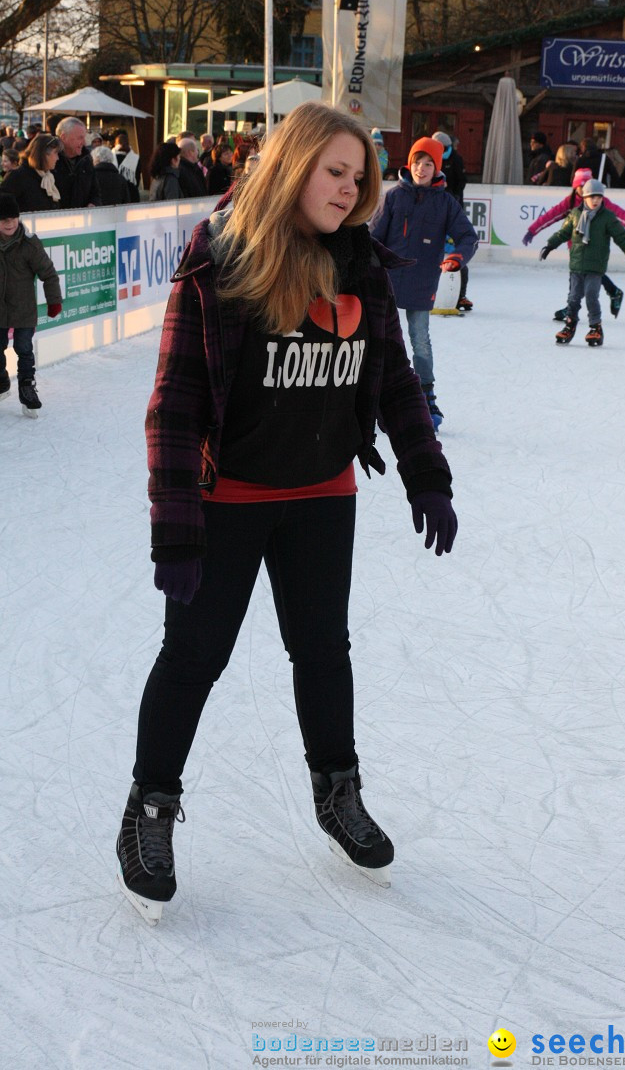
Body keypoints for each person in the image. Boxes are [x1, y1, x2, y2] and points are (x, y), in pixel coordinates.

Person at [114, 101, 458, 925]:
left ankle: (337, 793)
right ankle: (148, 810)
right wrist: (175, 527)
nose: (347, 190)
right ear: (292, 165)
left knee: (323, 650)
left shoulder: (360, 265)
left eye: (357, 176)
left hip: (321, 493)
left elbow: (397, 380)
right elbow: (177, 402)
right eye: (333, 171)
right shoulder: (223, 256)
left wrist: (426, 474)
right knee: (194, 656)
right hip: (229, 498)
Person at [369, 136, 477, 430]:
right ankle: (375, 394)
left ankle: (426, 395)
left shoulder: (445, 203)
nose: (422, 168)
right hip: (389, 281)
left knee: (420, 341)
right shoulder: (394, 196)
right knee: (381, 340)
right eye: (418, 162)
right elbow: (374, 236)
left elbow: (468, 237)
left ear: (437, 168)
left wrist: (457, 256)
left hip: (421, 281)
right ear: (410, 164)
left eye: (429, 163)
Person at [522, 167, 625, 321]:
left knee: (588, 276)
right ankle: (612, 292)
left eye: (586, 185)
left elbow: (617, 213)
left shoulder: (599, 201)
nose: (584, 189)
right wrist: (533, 230)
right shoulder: (570, 202)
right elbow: (550, 216)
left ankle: (576, 308)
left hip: (596, 246)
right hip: (576, 248)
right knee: (580, 277)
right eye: (580, 186)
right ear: (575, 187)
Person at [539, 178, 625, 346]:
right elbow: (563, 233)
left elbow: (620, 236)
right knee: (573, 298)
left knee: (591, 295)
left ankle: (595, 327)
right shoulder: (575, 214)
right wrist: (549, 245)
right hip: (577, 264)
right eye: (592, 197)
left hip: (595, 266)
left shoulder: (607, 217)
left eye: (598, 197)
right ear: (584, 197)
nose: (595, 201)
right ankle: (570, 325)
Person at [0, 194, 62, 416]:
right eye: (4, 219)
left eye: (13, 218)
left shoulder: (29, 243)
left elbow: (49, 274)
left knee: (24, 348)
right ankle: (1, 379)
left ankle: (27, 388)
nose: (9, 223)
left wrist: (54, 301)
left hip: (24, 310)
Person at [432, 130, 472, 311]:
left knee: (456, 253)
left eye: (446, 148)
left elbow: (461, 182)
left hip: (453, 208)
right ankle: (431, 292)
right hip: (433, 212)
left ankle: (461, 294)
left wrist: (452, 196)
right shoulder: (429, 160)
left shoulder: (456, 159)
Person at [0, 133, 62, 212]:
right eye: (55, 153)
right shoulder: (17, 176)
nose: (58, 158)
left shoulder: (48, 176)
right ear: (43, 154)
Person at [53, 117, 101, 208]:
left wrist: (93, 203)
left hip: (83, 219)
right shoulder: (49, 160)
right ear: (63, 137)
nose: (84, 142)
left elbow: (95, 192)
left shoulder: (86, 159)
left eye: (84, 138)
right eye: (80, 138)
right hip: (56, 219)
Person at [112, 130, 142, 202]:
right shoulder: (136, 158)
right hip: (132, 194)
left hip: (115, 193)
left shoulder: (110, 156)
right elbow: (137, 179)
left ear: (115, 144)